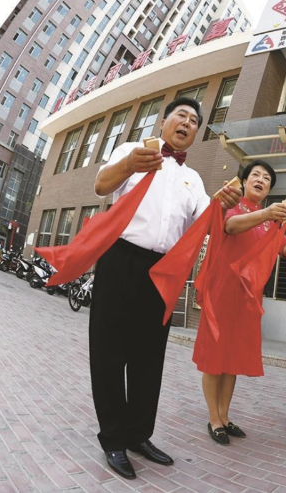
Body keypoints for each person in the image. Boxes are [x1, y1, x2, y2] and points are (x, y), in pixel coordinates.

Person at [91, 98, 241, 479]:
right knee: (110, 352)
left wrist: (226, 205)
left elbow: (213, 225)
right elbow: (100, 186)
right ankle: (113, 438)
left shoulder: (193, 180)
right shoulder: (133, 150)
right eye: (181, 116)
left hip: (165, 272)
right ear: (164, 122)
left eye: (194, 121)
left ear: (195, 133)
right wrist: (130, 164)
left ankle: (138, 434)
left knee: (149, 356)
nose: (187, 123)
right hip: (120, 259)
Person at [192, 160, 286, 445]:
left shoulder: (270, 220)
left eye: (266, 178)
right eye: (255, 175)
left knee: (232, 359)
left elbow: (284, 249)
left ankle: (225, 416)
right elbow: (230, 226)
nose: (260, 179)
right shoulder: (234, 205)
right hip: (221, 291)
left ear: (269, 189)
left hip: (248, 297)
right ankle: (214, 419)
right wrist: (266, 213)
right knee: (214, 358)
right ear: (244, 181)